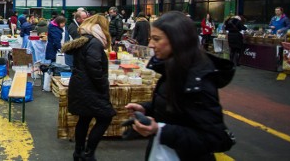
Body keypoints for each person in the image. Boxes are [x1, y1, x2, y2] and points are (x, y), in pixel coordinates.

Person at [125, 11, 236, 160]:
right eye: (151, 38)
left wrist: (160, 130)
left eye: (157, 39)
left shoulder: (198, 81)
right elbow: (178, 107)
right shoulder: (173, 68)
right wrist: (148, 108)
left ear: (177, 40)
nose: (151, 44)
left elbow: (215, 138)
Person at [61, 14, 116, 161]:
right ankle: (88, 153)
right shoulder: (95, 43)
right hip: (90, 87)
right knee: (105, 117)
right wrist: (103, 85)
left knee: (84, 119)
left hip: (80, 85)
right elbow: (94, 68)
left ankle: (79, 152)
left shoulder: (85, 40)